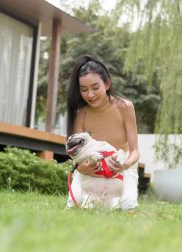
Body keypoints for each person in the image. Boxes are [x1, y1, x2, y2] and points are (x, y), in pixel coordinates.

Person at [66, 54, 140, 211]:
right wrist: (79, 167)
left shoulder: (125, 107)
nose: (90, 95)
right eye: (84, 90)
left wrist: (125, 165)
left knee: (127, 205)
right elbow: (77, 155)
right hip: (92, 166)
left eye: (95, 87)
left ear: (107, 84)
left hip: (121, 165)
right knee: (75, 203)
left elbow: (135, 152)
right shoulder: (81, 113)